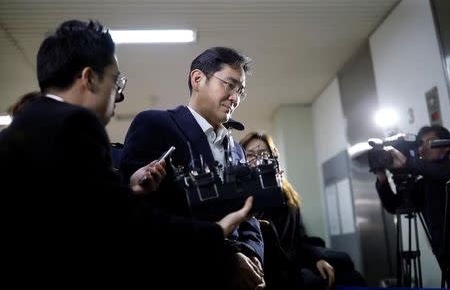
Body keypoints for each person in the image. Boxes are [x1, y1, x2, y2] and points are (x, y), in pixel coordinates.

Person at [0, 20, 254, 288]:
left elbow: (86, 210)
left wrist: (130, 192)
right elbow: (126, 222)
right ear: (88, 78)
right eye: (116, 81)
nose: (118, 96)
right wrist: (216, 231)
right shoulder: (75, 124)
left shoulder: (27, 125)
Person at [120, 47, 265, 290]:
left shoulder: (237, 150)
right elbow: (142, 213)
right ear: (197, 79)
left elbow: (248, 216)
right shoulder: (156, 125)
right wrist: (226, 257)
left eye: (240, 90)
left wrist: (251, 255)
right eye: (229, 85)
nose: (235, 97)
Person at [241, 132, 367, 290]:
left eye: (263, 154)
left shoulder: (286, 193)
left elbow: (299, 239)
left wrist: (317, 259)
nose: (257, 159)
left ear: (273, 158)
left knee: (347, 270)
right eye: (250, 155)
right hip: (263, 269)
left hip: (292, 266)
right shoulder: (239, 195)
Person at [374, 125, 450, 282]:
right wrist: (382, 178)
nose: (423, 149)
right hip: (443, 253)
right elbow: (395, 206)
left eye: (430, 142)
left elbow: (443, 173)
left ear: (446, 145)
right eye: (420, 144)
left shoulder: (444, 171)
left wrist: (408, 163)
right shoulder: (424, 184)